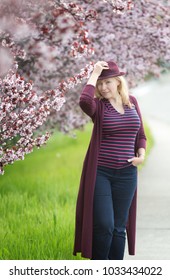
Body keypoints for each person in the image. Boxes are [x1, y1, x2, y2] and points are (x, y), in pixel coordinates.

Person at [73, 61, 147, 260]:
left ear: (118, 82)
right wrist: (94, 73)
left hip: (127, 173)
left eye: (107, 83)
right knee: (104, 225)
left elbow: (141, 134)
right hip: (101, 173)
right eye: (100, 83)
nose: (103, 87)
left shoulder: (132, 102)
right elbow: (84, 101)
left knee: (119, 227)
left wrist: (141, 154)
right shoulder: (98, 107)